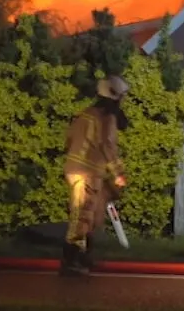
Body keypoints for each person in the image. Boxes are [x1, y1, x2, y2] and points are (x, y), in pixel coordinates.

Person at [60, 74, 130, 276]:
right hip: (88, 172)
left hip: (75, 170)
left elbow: (69, 139)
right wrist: (118, 173)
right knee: (83, 215)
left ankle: (83, 257)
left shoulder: (85, 113)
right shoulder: (106, 117)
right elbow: (107, 144)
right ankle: (71, 260)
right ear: (115, 96)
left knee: (90, 215)